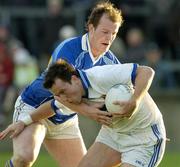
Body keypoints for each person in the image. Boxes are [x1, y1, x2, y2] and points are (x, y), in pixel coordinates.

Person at [0, 2, 125, 167]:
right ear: (91, 28)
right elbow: (60, 93)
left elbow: (126, 90)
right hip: (34, 106)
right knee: (24, 157)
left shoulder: (111, 62)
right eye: (105, 32)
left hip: (64, 118)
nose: (109, 38)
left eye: (114, 33)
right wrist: (88, 110)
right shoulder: (69, 49)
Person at [43, 60, 166, 167]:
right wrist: (24, 122)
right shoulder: (69, 97)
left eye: (63, 91)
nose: (63, 97)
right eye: (59, 94)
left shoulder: (101, 75)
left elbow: (146, 71)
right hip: (112, 135)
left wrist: (135, 100)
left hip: (144, 137)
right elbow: (48, 107)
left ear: (74, 79)